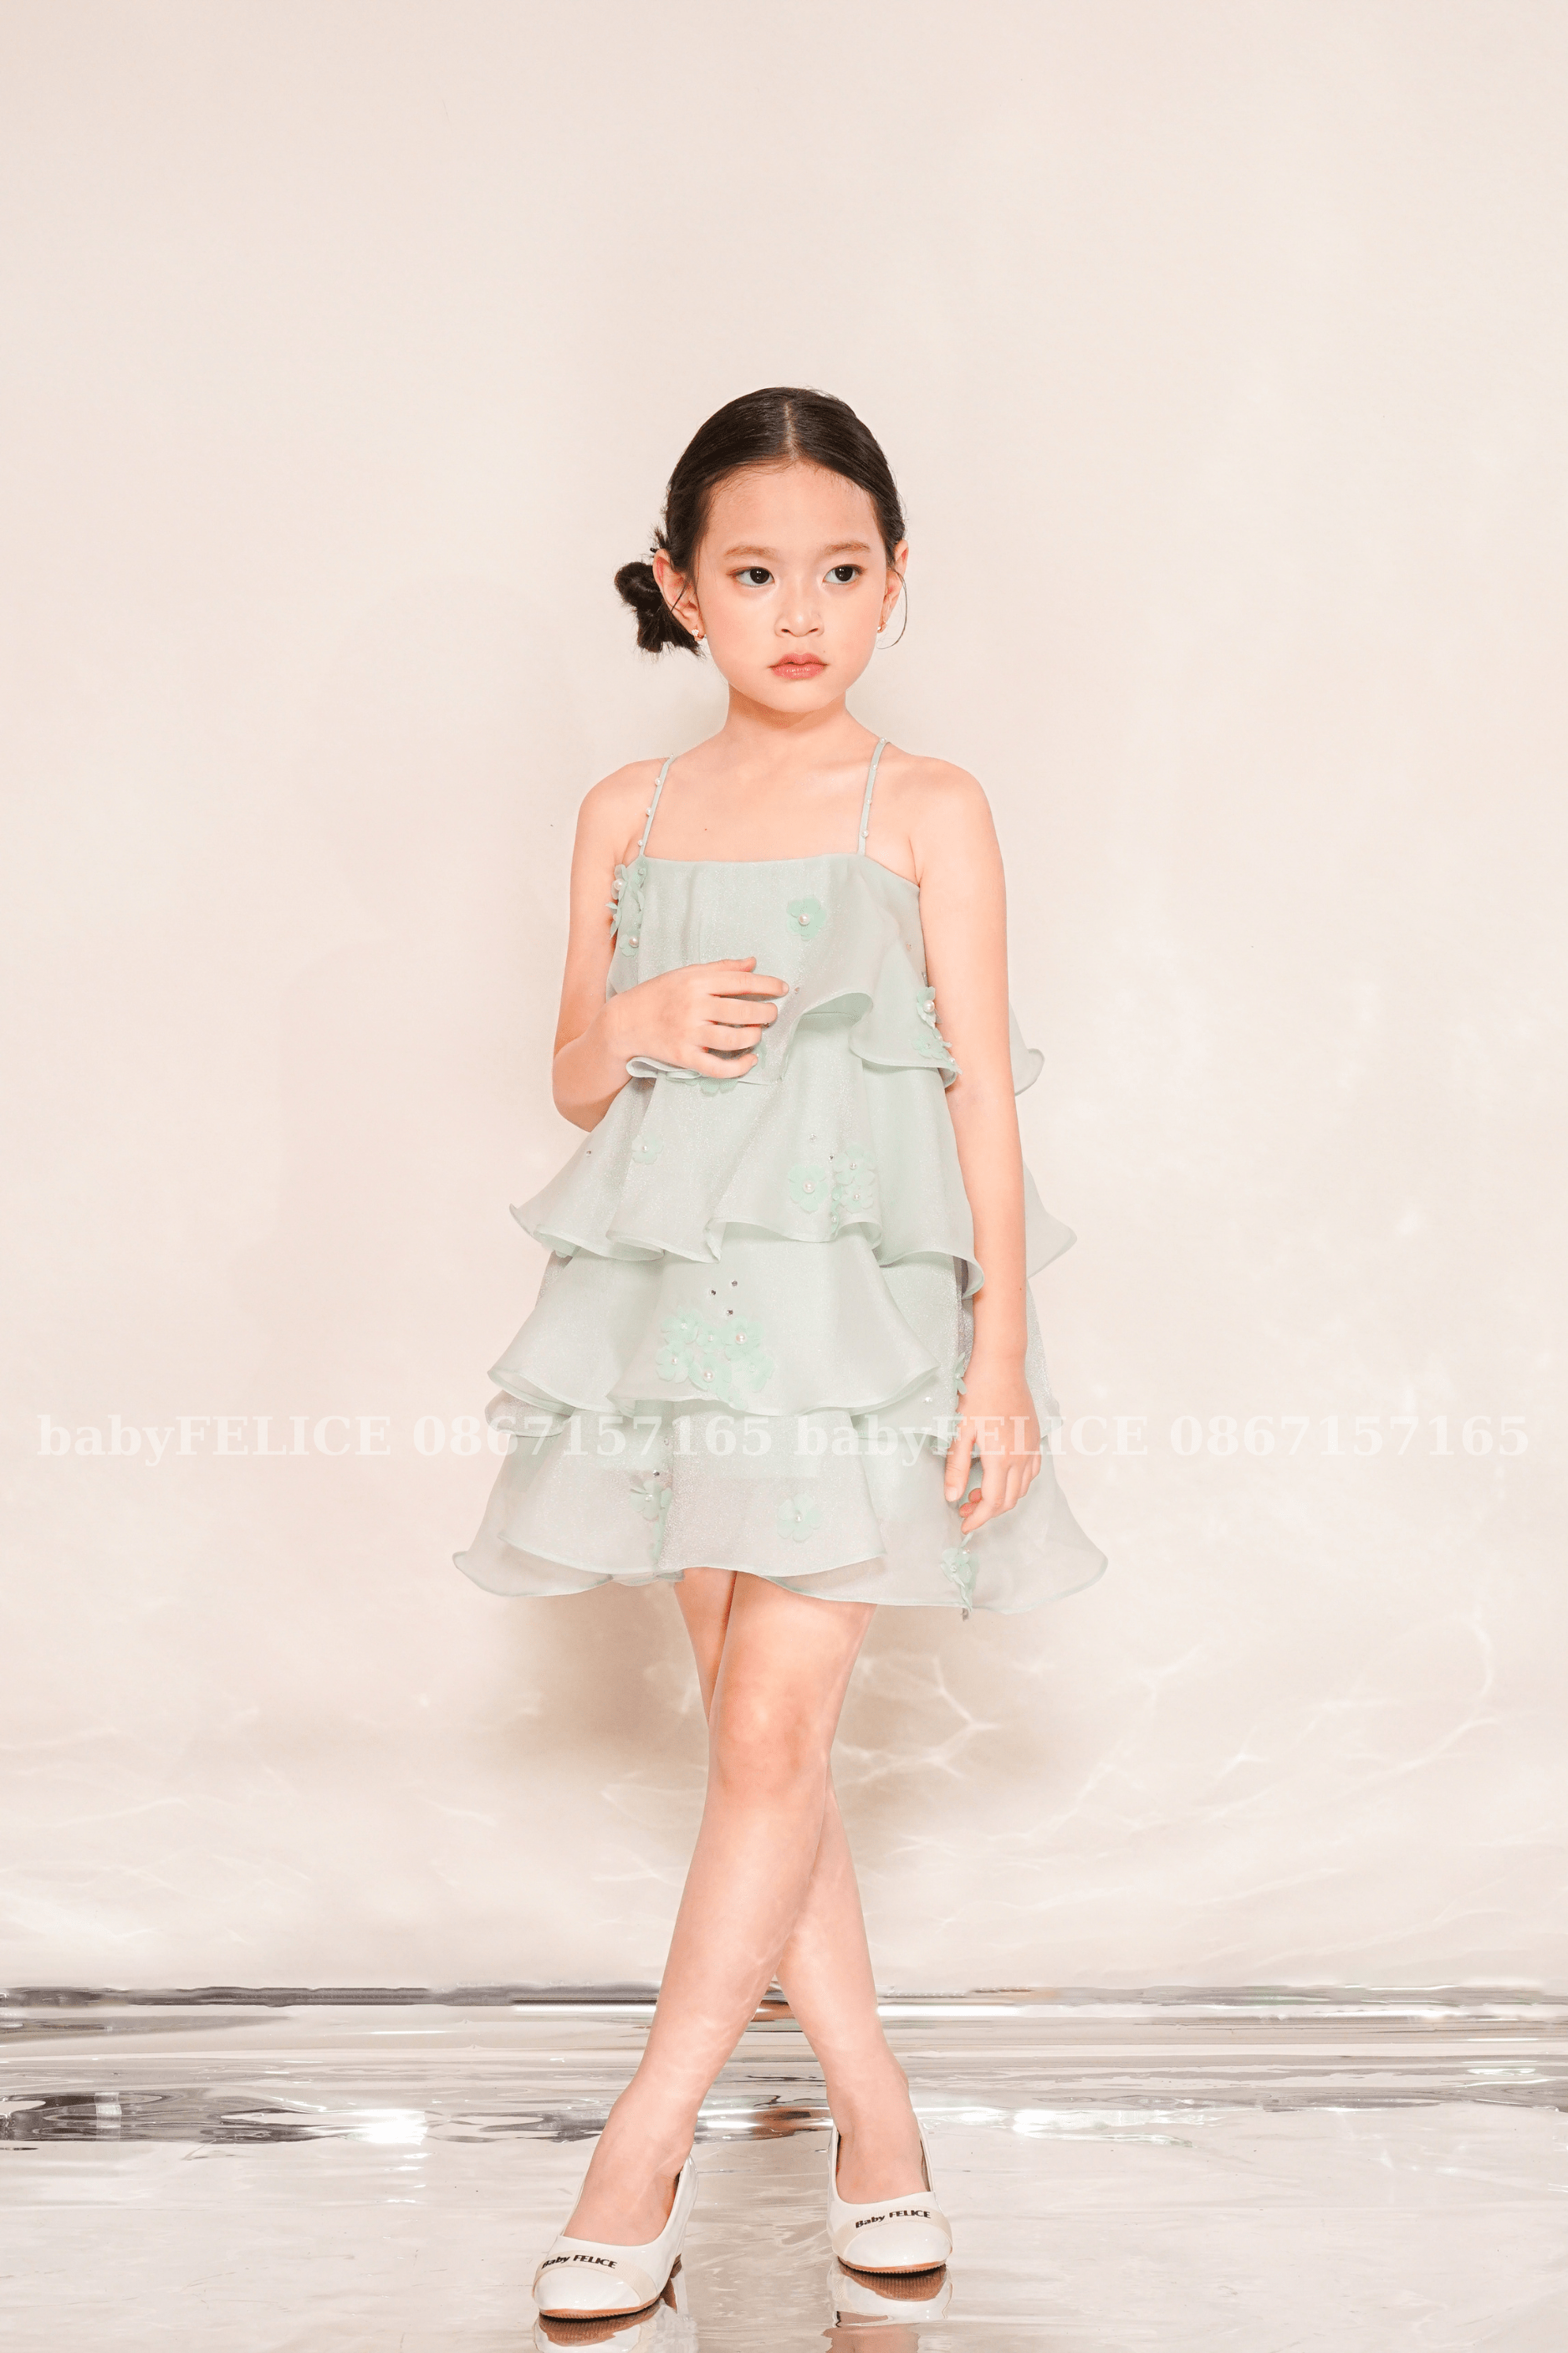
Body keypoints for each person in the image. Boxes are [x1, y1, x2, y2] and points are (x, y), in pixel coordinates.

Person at [453, 386, 1106, 2325]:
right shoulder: (629, 811)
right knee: (770, 1750)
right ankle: (876, 2118)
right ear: (680, 588)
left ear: (895, 581)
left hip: (862, 1330)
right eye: (752, 573)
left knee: (767, 1736)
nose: (797, 611)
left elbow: (981, 1092)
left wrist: (1001, 1358)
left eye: (837, 570)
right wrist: (638, 1015)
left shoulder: (928, 807)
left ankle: (637, 2147)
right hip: (675, 1319)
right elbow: (577, 1075)